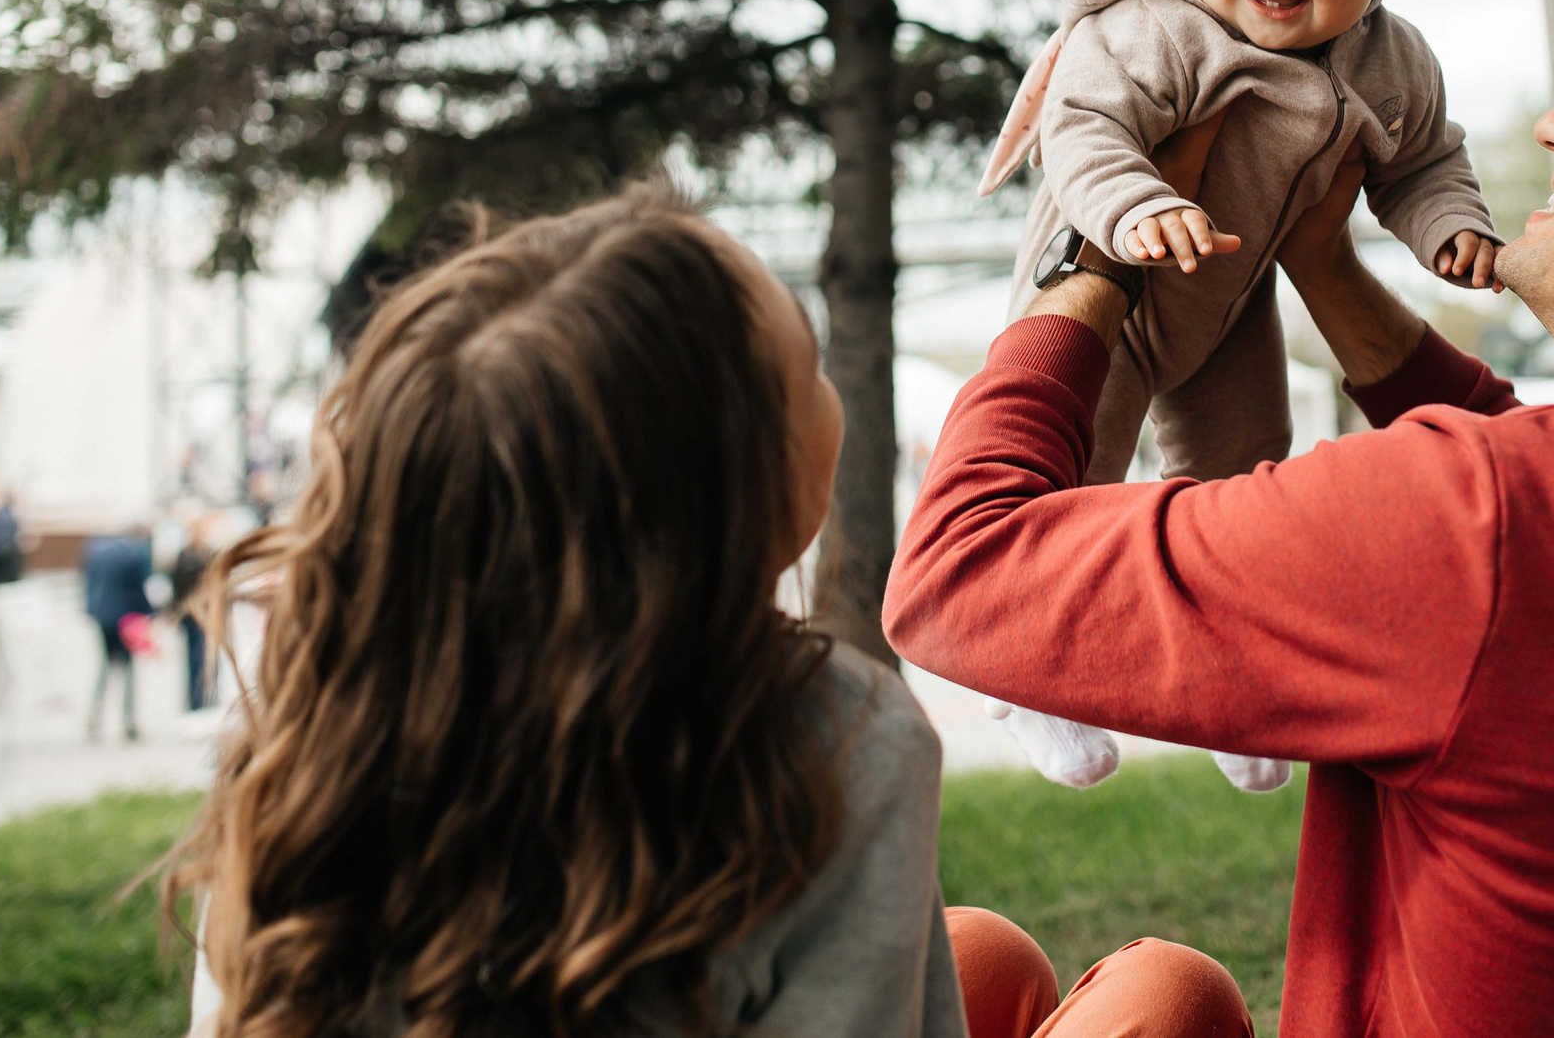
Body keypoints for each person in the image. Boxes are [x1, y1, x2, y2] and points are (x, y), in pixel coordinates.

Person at [888, 0, 1554, 1037]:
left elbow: (960, 573)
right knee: (1034, 972)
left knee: (1079, 984)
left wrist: (1092, 251)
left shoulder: (1484, 522)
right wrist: (1323, 264)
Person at [171, 192, 1243, 1038]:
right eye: (808, 373)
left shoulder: (309, 724)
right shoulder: (842, 737)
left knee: (985, 958)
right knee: (1168, 995)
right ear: (732, 505)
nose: (832, 394)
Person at [975, 0, 1497, 792]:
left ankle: (1231, 677)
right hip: (1104, 288)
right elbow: (1082, 127)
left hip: (1229, 296)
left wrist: (1450, 226)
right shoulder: (1160, 24)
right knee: (1076, 468)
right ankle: (1021, 672)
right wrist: (1139, 207)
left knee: (1246, 471)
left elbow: (1425, 160)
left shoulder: (1391, 62)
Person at [82, 527, 154, 743]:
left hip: (102, 615)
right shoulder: (136, 554)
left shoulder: (96, 549)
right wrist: (150, 614)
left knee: (105, 665)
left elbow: (88, 581)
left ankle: (95, 716)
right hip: (126, 617)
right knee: (128, 668)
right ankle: (128, 720)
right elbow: (140, 588)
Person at [167, 508, 217, 714]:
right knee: (202, 659)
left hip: (197, 613)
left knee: (199, 660)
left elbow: (176, 587)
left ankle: (200, 702)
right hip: (200, 613)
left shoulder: (198, 554)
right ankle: (202, 701)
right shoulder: (203, 555)